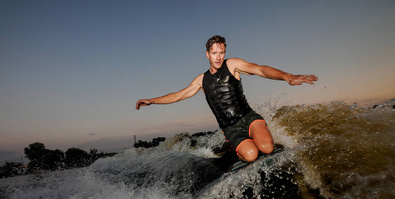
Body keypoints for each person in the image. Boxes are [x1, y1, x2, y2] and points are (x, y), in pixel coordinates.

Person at [136, 35, 318, 162]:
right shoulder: (201, 80)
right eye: (214, 53)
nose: (219, 57)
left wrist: (287, 76)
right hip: (230, 128)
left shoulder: (233, 65)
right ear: (207, 54)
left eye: (221, 52)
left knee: (268, 149)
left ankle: (258, 134)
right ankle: (240, 150)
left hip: (249, 118)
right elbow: (177, 96)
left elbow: (260, 69)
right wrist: (151, 101)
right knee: (251, 155)